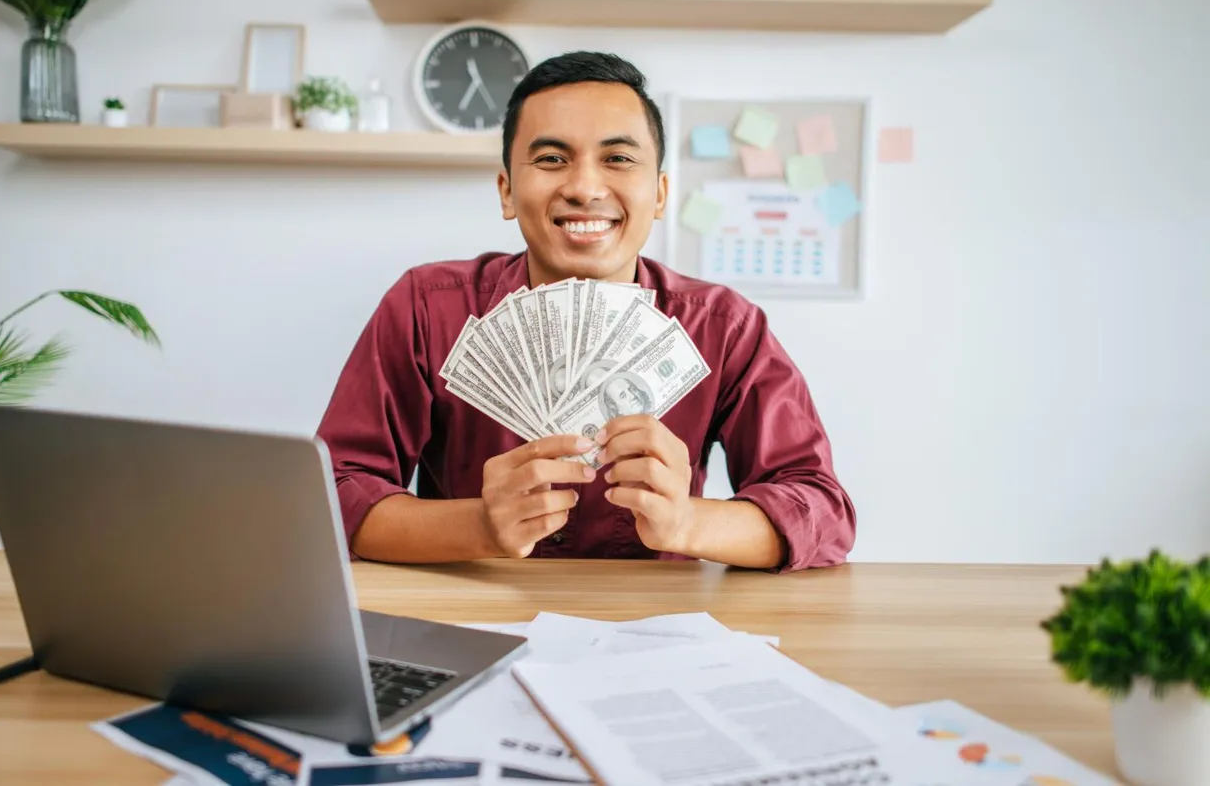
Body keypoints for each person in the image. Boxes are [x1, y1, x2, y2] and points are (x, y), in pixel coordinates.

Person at [316, 51, 855, 573]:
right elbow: (333, 493)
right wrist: (479, 525)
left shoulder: (725, 329)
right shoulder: (426, 308)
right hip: (473, 614)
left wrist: (688, 523)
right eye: (551, 160)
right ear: (506, 191)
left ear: (661, 193)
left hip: (656, 628)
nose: (583, 188)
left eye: (618, 159)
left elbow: (821, 510)